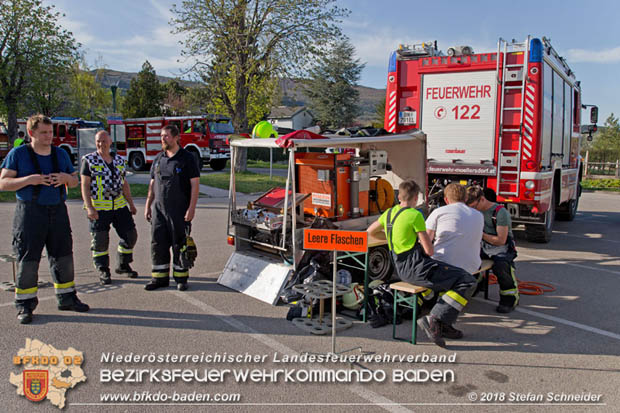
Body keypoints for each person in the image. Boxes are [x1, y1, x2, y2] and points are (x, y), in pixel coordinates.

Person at [0, 114, 89, 324]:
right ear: (31, 133)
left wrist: (66, 179)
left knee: (63, 256)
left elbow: (75, 181)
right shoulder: (18, 154)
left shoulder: (60, 154)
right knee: (28, 259)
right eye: (44, 133)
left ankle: (67, 298)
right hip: (30, 213)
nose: (49, 136)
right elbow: (3, 183)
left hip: (57, 211)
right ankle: (25, 304)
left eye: (50, 132)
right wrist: (30, 180)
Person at [368, 180, 477, 347]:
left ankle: (443, 324)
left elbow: (370, 232)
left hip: (401, 268)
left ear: (399, 196)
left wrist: (394, 238)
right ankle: (435, 319)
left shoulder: (389, 213)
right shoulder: (415, 215)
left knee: (451, 278)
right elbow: (429, 251)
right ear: (416, 198)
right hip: (417, 269)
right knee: (467, 280)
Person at [144, 124, 200, 291]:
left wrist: (191, 208)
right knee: (158, 243)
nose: (163, 139)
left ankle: (181, 278)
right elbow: (152, 185)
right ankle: (159, 278)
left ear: (176, 138)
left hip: (179, 211)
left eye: (166, 136)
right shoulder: (158, 159)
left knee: (180, 244)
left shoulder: (187, 158)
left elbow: (195, 185)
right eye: (162, 136)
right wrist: (148, 206)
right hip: (159, 211)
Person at [80, 130, 138, 285]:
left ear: (110, 142)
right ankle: (103, 269)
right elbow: (85, 186)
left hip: (119, 206)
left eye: (104, 141)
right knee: (100, 241)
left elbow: (124, 183)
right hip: (99, 208)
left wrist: (131, 204)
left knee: (131, 235)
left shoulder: (119, 160)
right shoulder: (89, 160)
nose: (101, 144)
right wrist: (89, 207)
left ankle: (123, 264)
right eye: (98, 141)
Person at [466, 185, 519, 313]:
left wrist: (481, 234)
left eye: (474, 206)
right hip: (482, 245)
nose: (472, 210)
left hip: (500, 247)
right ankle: (477, 283)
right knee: (465, 259)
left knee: (501, 265)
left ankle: (509, 297)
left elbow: (501, 240)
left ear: (482, 199)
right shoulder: (474, 212)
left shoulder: (500, 213)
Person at [426, 183, 484, 275]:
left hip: (443, 264)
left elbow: (426, 241)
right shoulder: (479, 215)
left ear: (446, 199)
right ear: (465, 199)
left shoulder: (438, 212)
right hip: (472, 266)